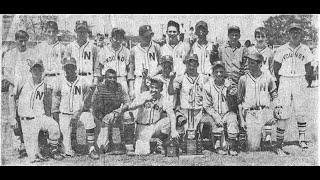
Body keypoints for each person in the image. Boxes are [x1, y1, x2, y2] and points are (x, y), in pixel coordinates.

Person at [8, 59, 63, 163]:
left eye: (39, 68)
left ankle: (53, 149)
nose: (36, 71)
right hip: (26, 121)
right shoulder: (22, 81)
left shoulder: (45, 85)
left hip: (40, 118)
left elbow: (47, 105)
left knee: (54, 125)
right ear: (30, 70)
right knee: (33, 158)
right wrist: (12, 118)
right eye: (34, 68)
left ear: (43, 70)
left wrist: (47, 120)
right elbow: (12, 97)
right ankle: (33, 148)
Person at [273, 23, 313, 154]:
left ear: (301, 33)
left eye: (297, 32)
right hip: (285, 79)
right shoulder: (281, 49)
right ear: (288, 34)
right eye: (292, 32)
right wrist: (281, 82)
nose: (295, 34)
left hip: (299, 79)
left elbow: (309, 68)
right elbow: (276, 67)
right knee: (283, 111)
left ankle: (302, 138)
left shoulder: (305, 49)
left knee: (300, 110)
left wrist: (306, 81)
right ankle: (279, 142)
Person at [51, 57, 99, 160]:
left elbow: (89, 99)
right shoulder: (59, 81)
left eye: (71, 67)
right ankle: (67, 143)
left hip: (79, 113)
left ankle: (91, 148)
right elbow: (55, 104)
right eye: (67, 68)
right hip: (64, 115)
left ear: (75, 68)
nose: (69, 70)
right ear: (64, 69)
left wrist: (83, 108)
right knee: (68, 151)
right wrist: (56, 120)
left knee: (89, 118)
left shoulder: (83, 81)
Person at [2, 30, 37, 158]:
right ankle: (18, 145)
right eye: (20, 40)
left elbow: (35, 71)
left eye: (24, 40)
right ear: (16, 40)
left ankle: (27, 143)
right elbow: (6, 74)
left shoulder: (32, 53)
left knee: (27, 115)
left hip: (28, 89)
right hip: (14, 89)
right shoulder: (10, 54)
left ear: (27, 40)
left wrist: (27, 86)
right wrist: (17, 85)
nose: (22, 43)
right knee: (15, 117)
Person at [238, 53, 278, 152]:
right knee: (253, 148)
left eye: (253, 63)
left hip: (264, 111)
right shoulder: (243, 79)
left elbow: (274, 95)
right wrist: (242, 120)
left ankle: (266, 135)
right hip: (251, 113)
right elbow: (239, 101)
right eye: (249, 63)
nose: (249, 65)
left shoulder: (267, 78)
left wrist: (275, 110)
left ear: (260, 64)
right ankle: (258, 136)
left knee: (277, 114)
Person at [128, 77, 179, 155]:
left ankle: (160, 143)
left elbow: (171, 114)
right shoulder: (143, 95)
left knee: (168, 121)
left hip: (154, 127)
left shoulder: (163, 98)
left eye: (156, 88)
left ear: (161, 89)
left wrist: (174, 130)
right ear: (149, 87)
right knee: (143, 152)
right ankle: (151, 144)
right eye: (152, 87)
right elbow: (131, 107)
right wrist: (142, 101)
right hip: (141, 128)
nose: (154, 90)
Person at [168, 53, 209, 147]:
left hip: (199, 111)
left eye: (194, 64)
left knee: (196, 134)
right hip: (185, 111)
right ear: (186, 65)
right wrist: (171, 80)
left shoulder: (204, 78)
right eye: (189, 64)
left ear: (197, 65)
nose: (191, 67)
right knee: (186, 135)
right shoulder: (181, 78)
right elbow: (171, 92)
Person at [92, 69, 132, 155]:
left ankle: (128, 144)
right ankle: (106, 143)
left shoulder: (120, 87)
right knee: (102, 149)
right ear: (105, 78)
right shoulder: (99, 88)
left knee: (128, 115)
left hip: (116, 115)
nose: (112, 80)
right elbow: (94, 105)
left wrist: (118, 111)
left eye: (114, 78)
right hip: (101, 117)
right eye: (110, 78)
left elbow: (127, 102)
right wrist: (101, 119)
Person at [203, 61, 239, 156]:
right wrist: (216, 116)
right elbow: (207, 106)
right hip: (214, 113)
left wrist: (233, 94)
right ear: (213, 73)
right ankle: (218, 146)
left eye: (221, 71)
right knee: (217, 127)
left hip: (227, 112)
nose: (219, 74)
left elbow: (235, 104)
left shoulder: (230, 85)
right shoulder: (208, 86)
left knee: (233, 119)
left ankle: (232, 146)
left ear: (225, 72)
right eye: (216, 71)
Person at [247, 27, 275, 145]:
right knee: (252, 104)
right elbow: (245, 65)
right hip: (252, 78)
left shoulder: (270, 51)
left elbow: (272, 68)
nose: (260, 39)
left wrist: (272, 82)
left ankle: (267, 135)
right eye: (258, 36)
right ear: (255, 37)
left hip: (265, 79)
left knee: (265, 105)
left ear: (266, 38)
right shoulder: (249, 50)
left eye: (262, 36)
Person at [34, 21, 66, 116]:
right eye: (49, 31)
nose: (51, 34)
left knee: (56, 108)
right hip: (45, 78)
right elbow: (37, 65)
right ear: (45, 32)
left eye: (53, 31)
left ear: (57, 32)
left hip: (57, 78)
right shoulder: (40, 47)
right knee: (44, 107)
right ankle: (46, 129)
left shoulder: (62, 47)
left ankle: (57, 129)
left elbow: (65, 66)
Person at [128, 25, 161, 101]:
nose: (148, 38)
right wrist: (131, 88)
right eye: (146, 36)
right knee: (139, 106)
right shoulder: (134, 50)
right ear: (140, 36)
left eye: (150, 35)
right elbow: (131, 71)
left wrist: (153, 74)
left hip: (154, 79)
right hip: (139, 80)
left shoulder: (156, 47)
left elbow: (161, 65)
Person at [65, 20, 100, 86]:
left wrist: (95, 81)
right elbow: (65, 66)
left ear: (87, 32)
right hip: (74, 78)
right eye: (79, 31)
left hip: (88, 78)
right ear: (75, 31)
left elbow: (96, 67)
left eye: (84, 31)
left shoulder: (93, 47)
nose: (81, 33)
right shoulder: (70, 47)